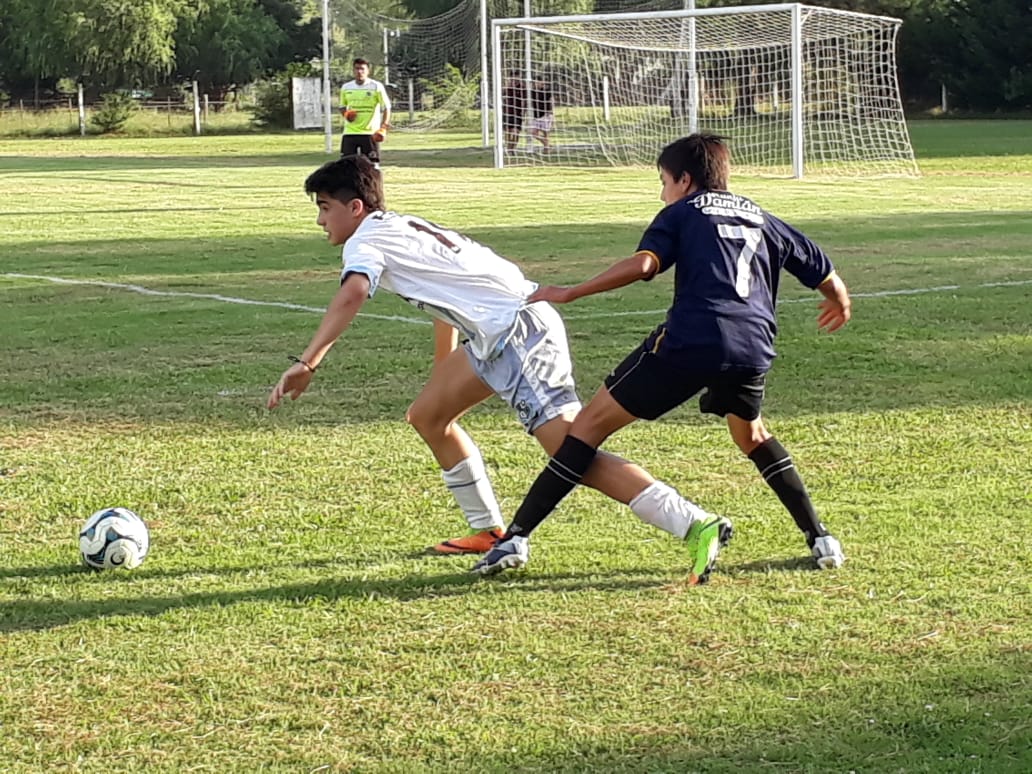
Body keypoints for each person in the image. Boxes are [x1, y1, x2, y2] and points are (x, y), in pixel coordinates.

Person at [267, 154, 729, 582]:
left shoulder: (366, 239)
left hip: (519, 333)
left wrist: (308, 362)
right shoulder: (400, 227)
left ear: (355, 207)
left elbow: (352, 294)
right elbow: (446, 294)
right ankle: (488, 529)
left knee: (569, 451)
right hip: (497, 333)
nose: (320, 220)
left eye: (324, 208)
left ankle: (694, 522)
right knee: (429, 415)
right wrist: (443, 367)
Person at [473, 133, 851, 579]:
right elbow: (822, 270)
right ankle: (821, 538)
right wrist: (839, 300)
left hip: (691, 342)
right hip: (753, 347)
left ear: (684, 180)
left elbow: (645, 265)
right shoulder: (763, 217)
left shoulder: (683, 212)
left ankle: (515, 537)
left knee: (587, 429)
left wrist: (571, 291)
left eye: (664, 182)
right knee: (752, 436)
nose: (662, 193)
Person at [339, 58, 392, 167]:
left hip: (370, 133)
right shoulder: (346, 87)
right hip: (350, 132)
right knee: (346, 166)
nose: (359, 72)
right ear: (353, 70)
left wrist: (383, 128)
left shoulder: (376, 86)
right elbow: (342, 106)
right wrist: (346, 114)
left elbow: (387, 107)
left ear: (368, 71)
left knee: (372, 166)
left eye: (362, 69)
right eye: (357, 69)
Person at [501, 75, 526, 152]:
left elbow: (524, 102)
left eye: (517, 78)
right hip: (507, 113)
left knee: (515, 133)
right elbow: (503, 98)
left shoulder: (522, 88)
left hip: (517, 114)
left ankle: (512, 148)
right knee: (508, 132)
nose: (514, 80)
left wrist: (523, 112)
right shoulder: (507, 88)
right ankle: (509, 149)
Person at [528, 79, 554, 151]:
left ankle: (546, 149)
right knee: (533, 133)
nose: (536, 84)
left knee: (546, 133)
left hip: (546, 115)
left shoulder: (547, 91)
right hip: (536, 116)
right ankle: (546, 144)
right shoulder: (532, 92)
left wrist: (551, 112)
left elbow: (551, 101)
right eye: (535, 83)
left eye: (538, 82)